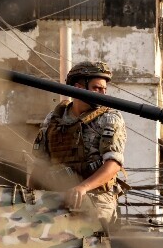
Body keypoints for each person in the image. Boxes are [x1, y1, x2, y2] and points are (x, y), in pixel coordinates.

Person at [29, 61, 126, 225]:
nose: (102, 93)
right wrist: (30, 199)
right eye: (97, 88)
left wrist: (83, 188)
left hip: (96, 200)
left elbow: (113, 164)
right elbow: (39, 166)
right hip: (56, 200)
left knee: (89, 246)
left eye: (104, 89)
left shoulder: (109, 118)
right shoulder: (54, 119)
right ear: (79, 88)